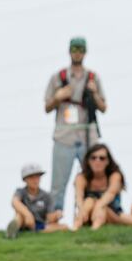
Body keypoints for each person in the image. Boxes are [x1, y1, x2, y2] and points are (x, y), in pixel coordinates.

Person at [44, 36, 106, 215]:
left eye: (80, 50)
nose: (77, 53)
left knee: (92, 178)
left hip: (88, 135)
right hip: (64, 136)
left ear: (85, 53)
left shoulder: (93, 77)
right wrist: (58, 97)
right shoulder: (58, 77)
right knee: (59, 181)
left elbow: (103, 107)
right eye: (74, 49)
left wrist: (94, 94)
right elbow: (47, 107)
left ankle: (89, 213)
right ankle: (56, 215)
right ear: (70, 52)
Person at [72, 144, 132, 230]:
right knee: (89, 201)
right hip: (88, 211)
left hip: (113, 212)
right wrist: (82, 210)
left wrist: (98, 205)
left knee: (100, 206)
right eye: (93, 158)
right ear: (88, 160)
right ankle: (78, 226)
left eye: (102, 158)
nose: (97, 161)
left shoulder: (114, 176)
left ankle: (93, 228)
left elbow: (110, 193)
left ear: (108, 161)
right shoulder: (82, 177)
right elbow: (79, 196)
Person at [6, 162, 65, 238]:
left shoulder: (47, 196)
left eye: (37, 177)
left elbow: (49, 217)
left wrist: (56, 215)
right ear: (25, 179)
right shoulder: (20, 192)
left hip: (40, 224)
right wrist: (28, 215)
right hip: (24, 221)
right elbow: (14, 202)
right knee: (19, 216)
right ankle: (12, 231)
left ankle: (38, 231)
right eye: (31, 177)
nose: (35, 180)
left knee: (63, 227)